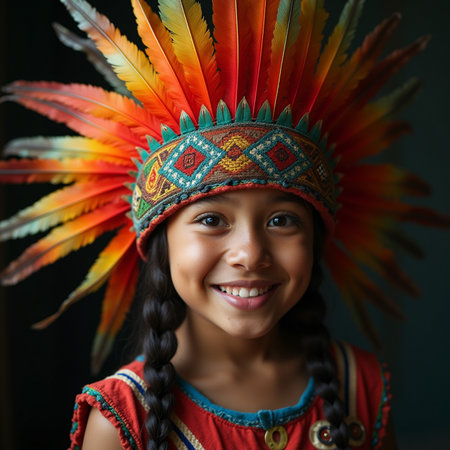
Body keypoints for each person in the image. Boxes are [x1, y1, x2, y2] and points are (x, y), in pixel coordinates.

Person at [1, 0, 446, 449]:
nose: (250, 252)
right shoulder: (121, 422)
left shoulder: (359, 390)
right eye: (212, 219)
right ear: (163, 243)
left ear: (315, 238)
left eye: (282, 219)